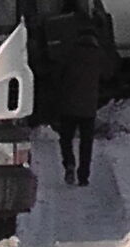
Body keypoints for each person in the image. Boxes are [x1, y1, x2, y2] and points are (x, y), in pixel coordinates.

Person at [50, 28, 117, 187]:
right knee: (86, 143)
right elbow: (109, 74)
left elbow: (57, 75)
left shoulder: (69, 52)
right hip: (88, 107)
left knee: (66, 138)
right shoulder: (98, 55)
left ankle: (69, 164)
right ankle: (83, 176)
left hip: (68, 105)